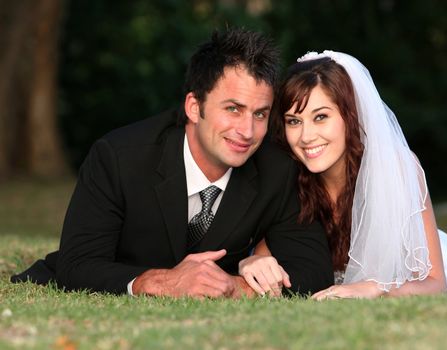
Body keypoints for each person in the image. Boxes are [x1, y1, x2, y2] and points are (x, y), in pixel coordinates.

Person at [10, 30, 334, 298]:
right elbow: (78, 264)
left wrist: (235, 287)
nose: (247, 131)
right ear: (194, 107)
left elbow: (313, 270)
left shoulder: (277, 170)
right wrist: (162, 282)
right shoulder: (118, 157)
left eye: (260, 114)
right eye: (233, 109)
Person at [239, 50, 447, 299]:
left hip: (413, 263)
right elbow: (266, 253)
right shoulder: (288, 173)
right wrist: (250, 263)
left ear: (349, 117)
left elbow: (435, 282)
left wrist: (375, 288)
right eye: (294, 121)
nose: (306, 137)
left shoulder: (394, 168)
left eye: (321, 117)